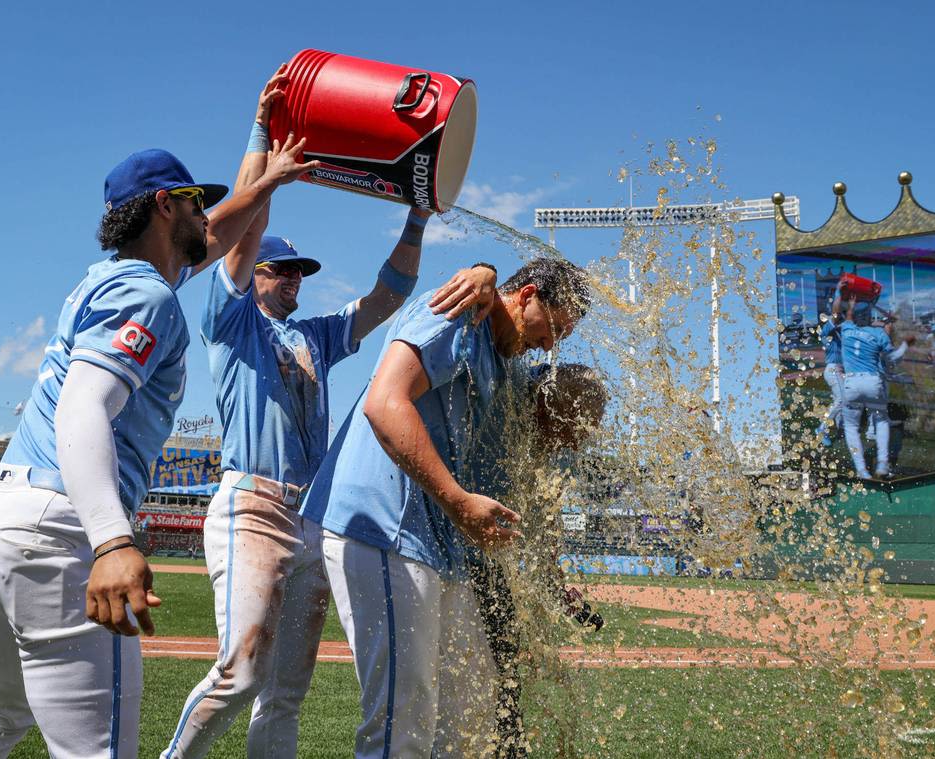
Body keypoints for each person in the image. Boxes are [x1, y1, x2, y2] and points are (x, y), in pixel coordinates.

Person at [0, 140, 309, 758]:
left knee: (0, 715)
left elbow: (221, 233)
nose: (205, 217)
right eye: (194, 204)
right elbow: (84, 405)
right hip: (52, 529)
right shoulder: (149, 296)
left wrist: (263, 157)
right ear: (166, 206)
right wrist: (112, 539)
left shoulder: (111, 278)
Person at [162, 70, 499, 759]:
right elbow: (236, 239)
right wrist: (264, 150)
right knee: (240, 673)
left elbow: (385, 296)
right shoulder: (231, 321)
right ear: (255, 273)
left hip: (311, 515)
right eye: (282, 270)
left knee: (285, 691)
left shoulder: (312, 335)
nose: (293, 279)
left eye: (300, 273)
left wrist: (415, 215)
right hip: (251, 504)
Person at [301, 257, 591, 758]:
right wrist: (458, 501)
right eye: (554, 328)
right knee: (403, 721)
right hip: (385, 528)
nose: (552, 345)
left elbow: (555, 395)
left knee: (471, 709)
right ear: (526, 298)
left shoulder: (502, 357)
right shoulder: (457, 311)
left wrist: (487, 268)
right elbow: (384, 402)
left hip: (437, 543)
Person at [461, 362, 608, 758]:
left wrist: (557, 589)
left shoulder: (547, 444)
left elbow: (543, 527)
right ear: (550, 410)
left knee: (505, 664)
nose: (577, 444)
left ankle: (507, 747)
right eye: (575, 430)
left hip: (489, 561)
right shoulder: (502, 400)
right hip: (452, 553)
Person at [834, 292, 910, 480]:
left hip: (851, 384)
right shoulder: (878, 333)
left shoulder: (846, 329)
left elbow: (848, 318)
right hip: (873, 383)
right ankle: (882, 463)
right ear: (870, 317)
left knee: (851, 428)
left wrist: (851, 304)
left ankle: (862, 470)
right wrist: (906, 345)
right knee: (881, 420)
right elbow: (893, 358)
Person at [815, 310, 845, 447]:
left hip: (838, 369)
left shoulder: (835, 332)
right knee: (842, 399)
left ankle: (841, 427)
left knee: (838, 399)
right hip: (833, 369)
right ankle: (822, 429)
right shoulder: (827, 329)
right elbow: (833, 321)